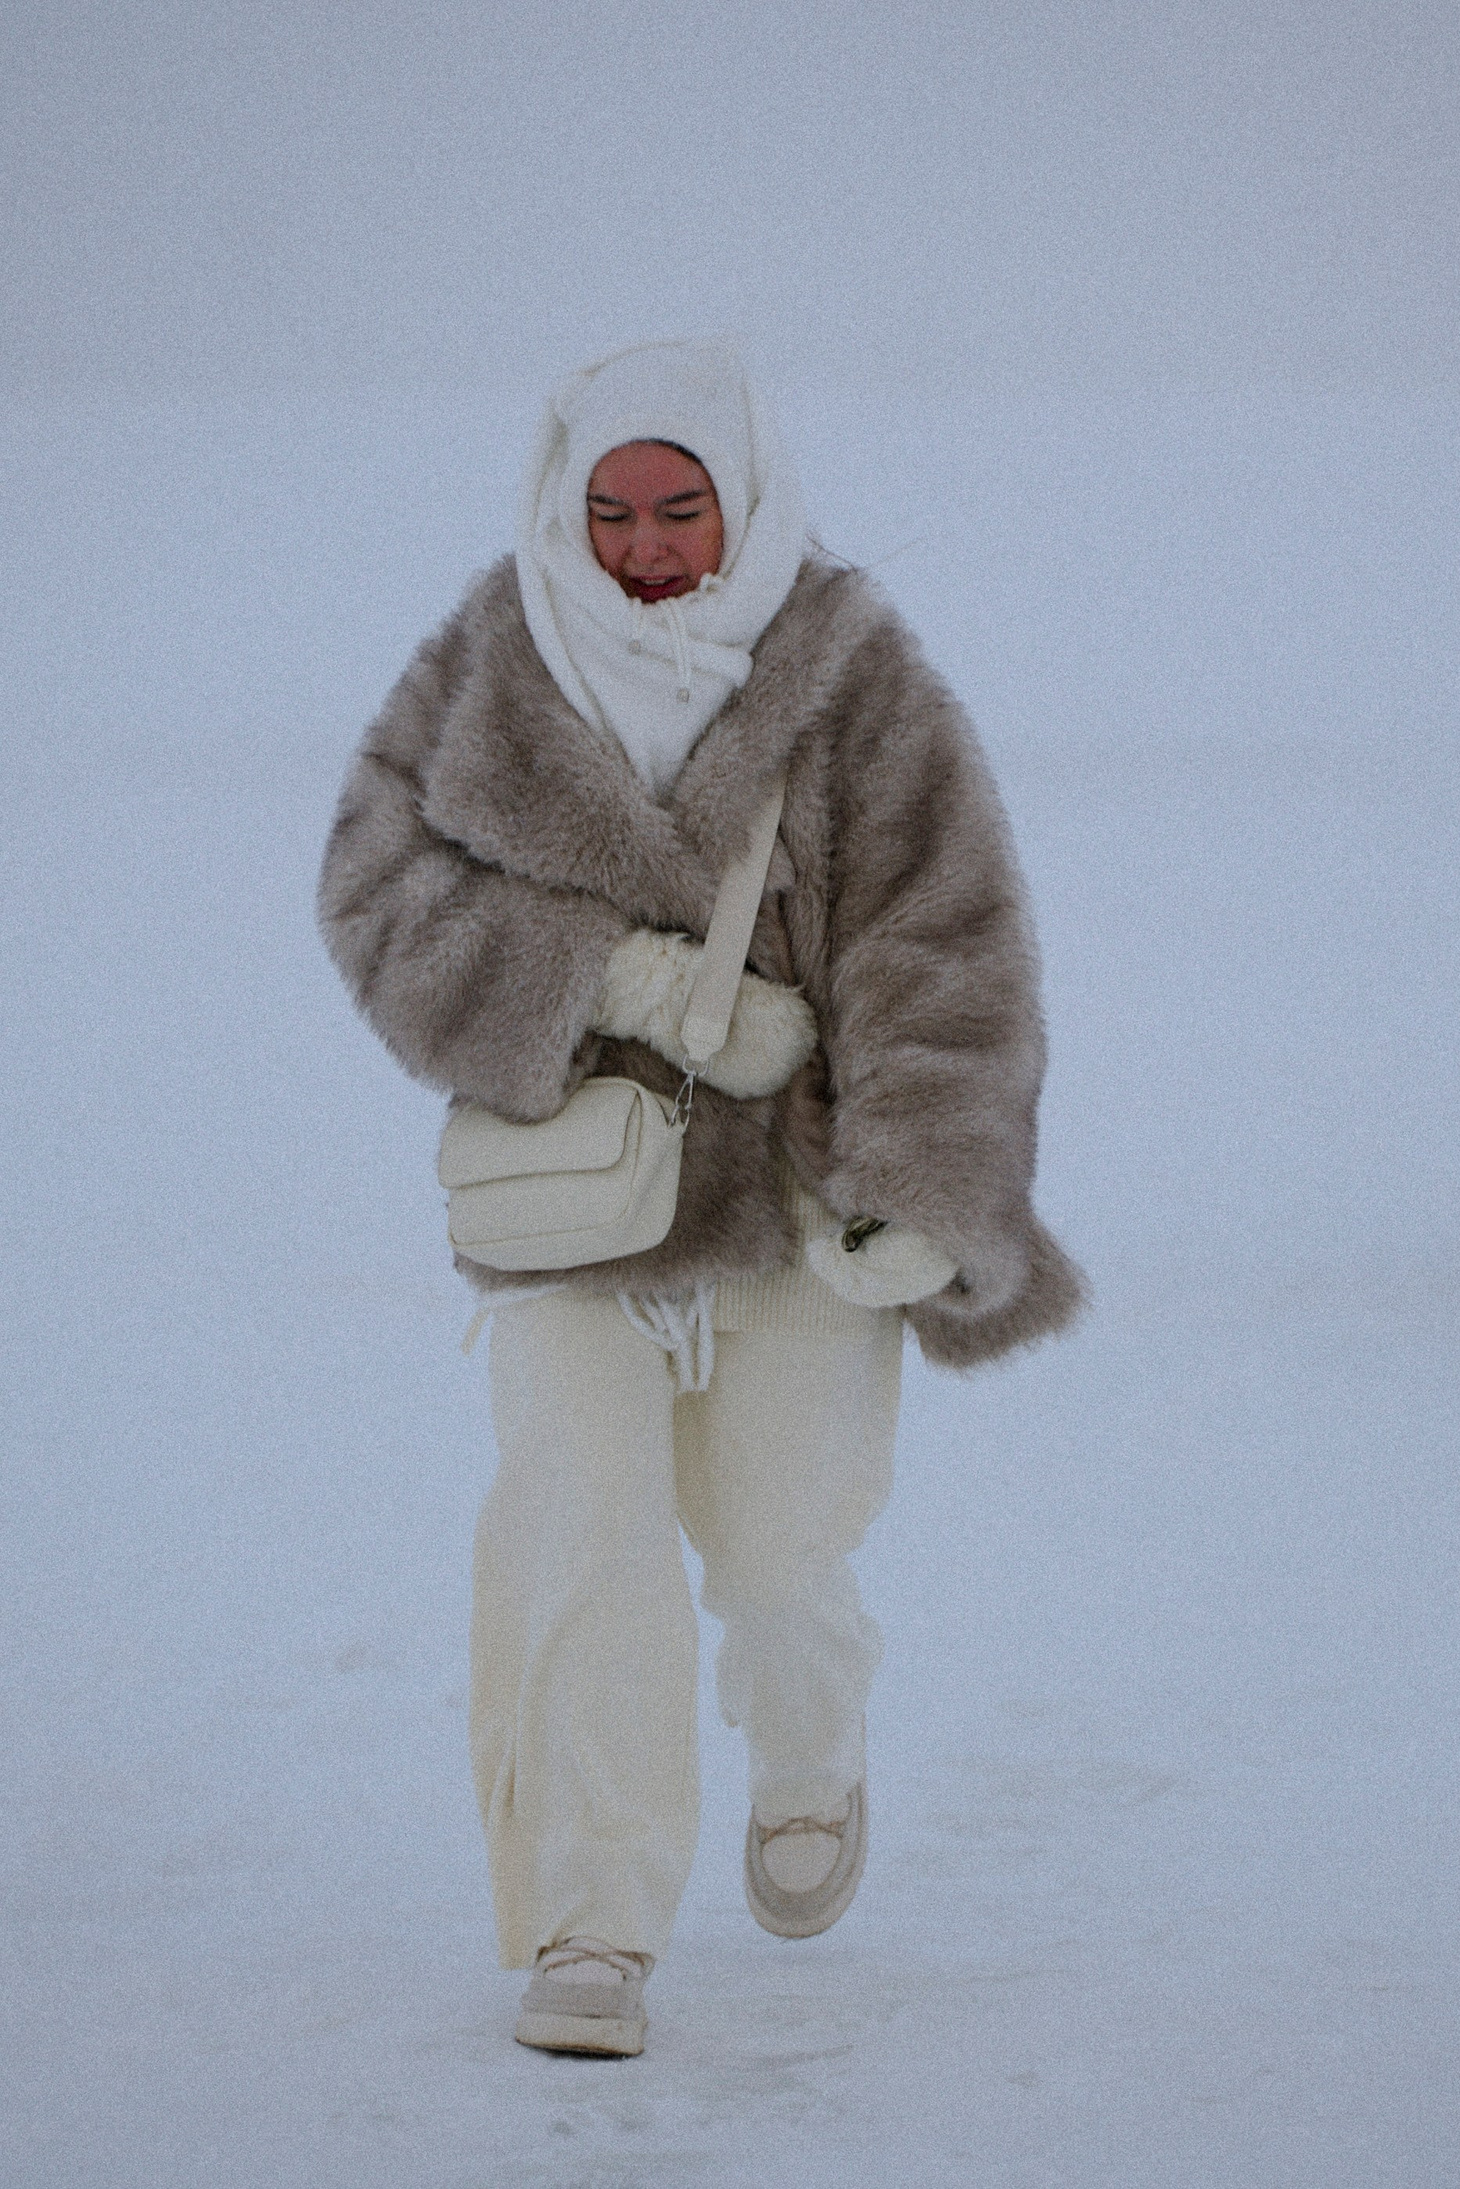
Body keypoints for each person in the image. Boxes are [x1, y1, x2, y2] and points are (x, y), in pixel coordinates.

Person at [318, 340, 1083, 2056]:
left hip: (801, 1209)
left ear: (746, 499)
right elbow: (374, 887)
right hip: (568, 1196)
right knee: (583, 1542)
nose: (646, 547)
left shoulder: (857, 677)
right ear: (560, 505)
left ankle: (809, 1741)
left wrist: (921, 1175)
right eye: (611, 511)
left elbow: (947, 940)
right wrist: (632, 983)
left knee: (780, 1554)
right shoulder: (493, 657)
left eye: (683, 507)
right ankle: (594, 1923)